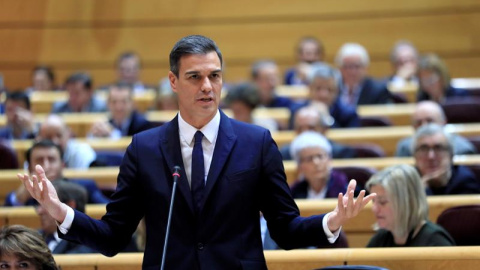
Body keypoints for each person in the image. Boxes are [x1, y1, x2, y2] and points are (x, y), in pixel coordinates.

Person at [17, 35, 375, 270]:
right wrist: (59, 210)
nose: (207, 86)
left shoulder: (257, 143)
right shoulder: (144, 148)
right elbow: (113, 237)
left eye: (214, 76)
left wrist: (333, 221)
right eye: (194, 77)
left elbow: (285, 229)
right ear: (173, 81)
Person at [366, 164, 455, 247]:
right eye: (373, 201)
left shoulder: (436, 242)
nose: (374, 209)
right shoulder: (380, 240)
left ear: (407, 202)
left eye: (382, 202)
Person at [5, 139, 109, 206]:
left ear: (63, 165)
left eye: (51, 159)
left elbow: (109, 209)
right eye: (39, 160)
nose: (46, 166)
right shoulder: (22, 195)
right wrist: (19, 199)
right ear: (29, 168)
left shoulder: (85, 187)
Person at [412, 123, 480, 195]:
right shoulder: (407, 181)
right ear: (415, 156)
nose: (431, 156)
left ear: (451, 155)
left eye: (438, 148)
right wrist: (422, 187)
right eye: (424, 149)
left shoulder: (464, 181)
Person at [290, 63, 360, 128]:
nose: (323, 95)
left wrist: (327, 119)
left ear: (337, 91)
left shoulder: (349, 114)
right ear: (309, 89)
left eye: (329, 89)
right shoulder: (297, 111)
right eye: (318, 88)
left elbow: (349, 140)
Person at [395, 101, 476, 156]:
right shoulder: (404, 148)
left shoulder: (462, 149)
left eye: (430, 121)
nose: (424, 126)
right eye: (419, 123)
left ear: (443, 123)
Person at [37, 180, 98, 254]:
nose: (39, 211)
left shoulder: (85, 244)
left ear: (69, 206)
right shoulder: (33, 237)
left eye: (47, 204)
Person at [280, 104, 356, 160]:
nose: (305, 134)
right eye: (300, 129)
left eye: (311, 128)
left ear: (324, 130)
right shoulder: (284, 154)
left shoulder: (341, 154)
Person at [289, 131, 349, 199]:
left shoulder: (345, 187)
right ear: (299, 166)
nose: (316, 163)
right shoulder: (294, 192)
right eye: (309, 159)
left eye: (320, 156)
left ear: (329, 159)